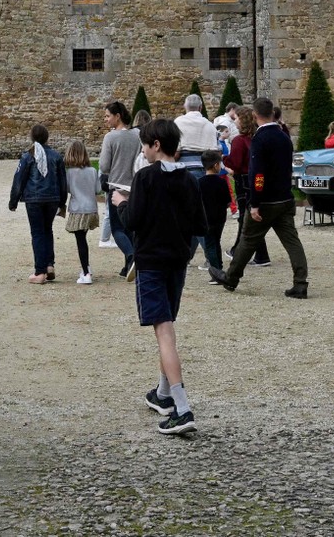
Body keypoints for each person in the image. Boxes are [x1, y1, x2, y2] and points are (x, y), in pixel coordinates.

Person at [111, 117, 207, 435]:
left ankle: (182, 407)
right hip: (177, 262)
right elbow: (200, 227)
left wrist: (122, 203)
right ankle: (162, 394)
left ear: (155, 145)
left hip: (152, 262)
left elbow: (133, 220)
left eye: (145, 144)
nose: (143, 150)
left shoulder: (145, 178)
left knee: (163, 332)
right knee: (166, 324)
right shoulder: (190, 180)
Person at [219, 98, 309, 297]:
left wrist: (255, 202)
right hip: (285, 198)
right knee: (292, 242)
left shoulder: (260, 139)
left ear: (254, 115)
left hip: (266, 200)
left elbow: (258, 174)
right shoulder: (284, 136)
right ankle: (301, 282)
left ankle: (231, 278)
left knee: (247, 239)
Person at [9, 124, 68, 284]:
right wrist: (62, 202)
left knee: (37, 233)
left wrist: (13, 201)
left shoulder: (28, 156)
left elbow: (19, 180)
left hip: (34, 199)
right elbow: (63, 181)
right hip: (52, 198)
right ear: (47, 137)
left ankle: (40, 271)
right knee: (47, 230)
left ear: (32, 138)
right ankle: (49, 265)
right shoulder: (56, 156)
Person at [99, 101, 142, 280]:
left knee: (117, 229)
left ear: (118, 116)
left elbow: (104, 165)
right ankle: (128, 267)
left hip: (116, 186)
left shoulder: (110, 137)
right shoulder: (138, 134)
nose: (106, 119)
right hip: (134, 186)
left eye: (108, 116)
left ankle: (133, 257)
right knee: (130, 227)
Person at [226, 106, 270, 269]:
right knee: (250, 217)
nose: (235, 120)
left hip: (243, 180)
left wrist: (224, 159)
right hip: (255, 179)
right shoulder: (256, 138)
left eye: (237, 118)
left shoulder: (240, 140)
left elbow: (235, 163)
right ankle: (258, 253)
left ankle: (246, 252)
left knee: (247, 217)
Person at [63, 139, 100, 284]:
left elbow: (67, 189)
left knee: (80, 241)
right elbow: (97, 190)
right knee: (83, 238)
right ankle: (87, 268)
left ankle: (85, 272)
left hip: (78, 209)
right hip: (91, 209)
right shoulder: (92, 171)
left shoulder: (70, 173)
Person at [196, 147, 233, 281]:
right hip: (219, 218)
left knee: (210, 244)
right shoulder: (222, 182)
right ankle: (219, 266)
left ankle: (215, 270)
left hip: (206, 218)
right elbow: (228, 202)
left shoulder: (199, 183)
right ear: (216, 165)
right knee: (216, 241)